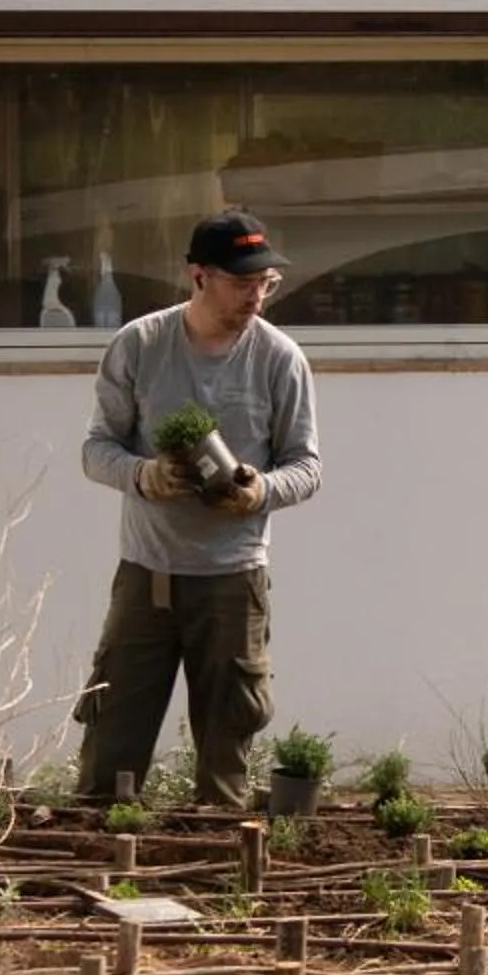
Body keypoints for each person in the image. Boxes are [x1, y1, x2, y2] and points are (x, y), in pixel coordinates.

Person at [72, 209, 322, 808]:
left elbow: (306, 467)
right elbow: (94, 449)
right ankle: (104, 864)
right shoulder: (139, 344)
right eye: (241, 282)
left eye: (265, 283)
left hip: (233, 581)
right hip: (145, 577)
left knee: (225, 758)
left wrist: (259, 491)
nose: (255, 296)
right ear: (197, 276)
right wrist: (144, 474)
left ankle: (221, 879)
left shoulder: (280, 358)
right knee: (111, 746)